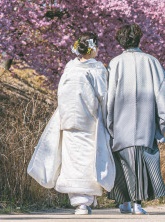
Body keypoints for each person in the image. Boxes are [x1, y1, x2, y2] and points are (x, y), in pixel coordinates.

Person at [27, 32, 116, 215]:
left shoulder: (70, 67)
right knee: (89, 159)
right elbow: (104, 96)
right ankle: (86, 200)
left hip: (68, 120)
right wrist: (109, 119)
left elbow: (61, 92)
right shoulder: (97, 68)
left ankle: (78, 201)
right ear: (92, 49)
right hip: (89, 121)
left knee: (71, 159)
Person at [106, 23, 165, 215]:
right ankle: (137, 204)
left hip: (120, 124)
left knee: (123, 163)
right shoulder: (152, 62)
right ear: (138, 39)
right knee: (143, 162)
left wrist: (109, 124)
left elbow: (109, 97)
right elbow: (162, 99)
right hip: (146, 126)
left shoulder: (115, 63)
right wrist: (161, 127)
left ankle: (125, 202)